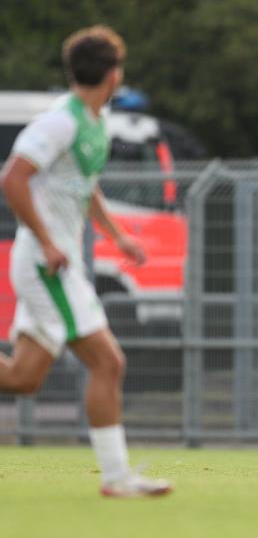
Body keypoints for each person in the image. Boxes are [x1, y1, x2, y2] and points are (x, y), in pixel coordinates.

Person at [0, 25, 172, 497]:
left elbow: (84, 184)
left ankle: (118, 478)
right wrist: (48, 242)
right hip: (47, 265)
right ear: (113, 74)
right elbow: (12, 179)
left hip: (55, 262)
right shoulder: (62, 121)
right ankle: (117, 479)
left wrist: (117, 234)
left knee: (23, 378)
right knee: (108, 363)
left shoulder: (94, 121)